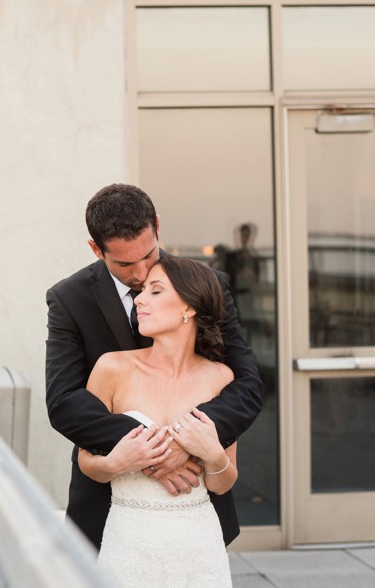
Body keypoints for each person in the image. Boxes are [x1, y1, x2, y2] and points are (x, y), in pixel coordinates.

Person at [45, 183, 264, 549]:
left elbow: (247, 385)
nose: (142, 272)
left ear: (157, 227)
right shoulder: (69, 299)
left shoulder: (206, 285)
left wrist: (188, 441)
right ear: (96, 249)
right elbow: (64, 401)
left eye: (149, 254)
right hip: (109, 504)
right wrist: (154, 447)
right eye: (125, 264)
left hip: (195, 502)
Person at [79, 256, 236, 587]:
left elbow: (223, 482)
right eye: (142, 291)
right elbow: (85, 461)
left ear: (189, 307)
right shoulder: (111, 369)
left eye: (155, 290)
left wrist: (212, 454)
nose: (139, 299)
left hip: (199, 547)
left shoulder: (221, 378)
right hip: (129, 544)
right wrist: (116, 463)